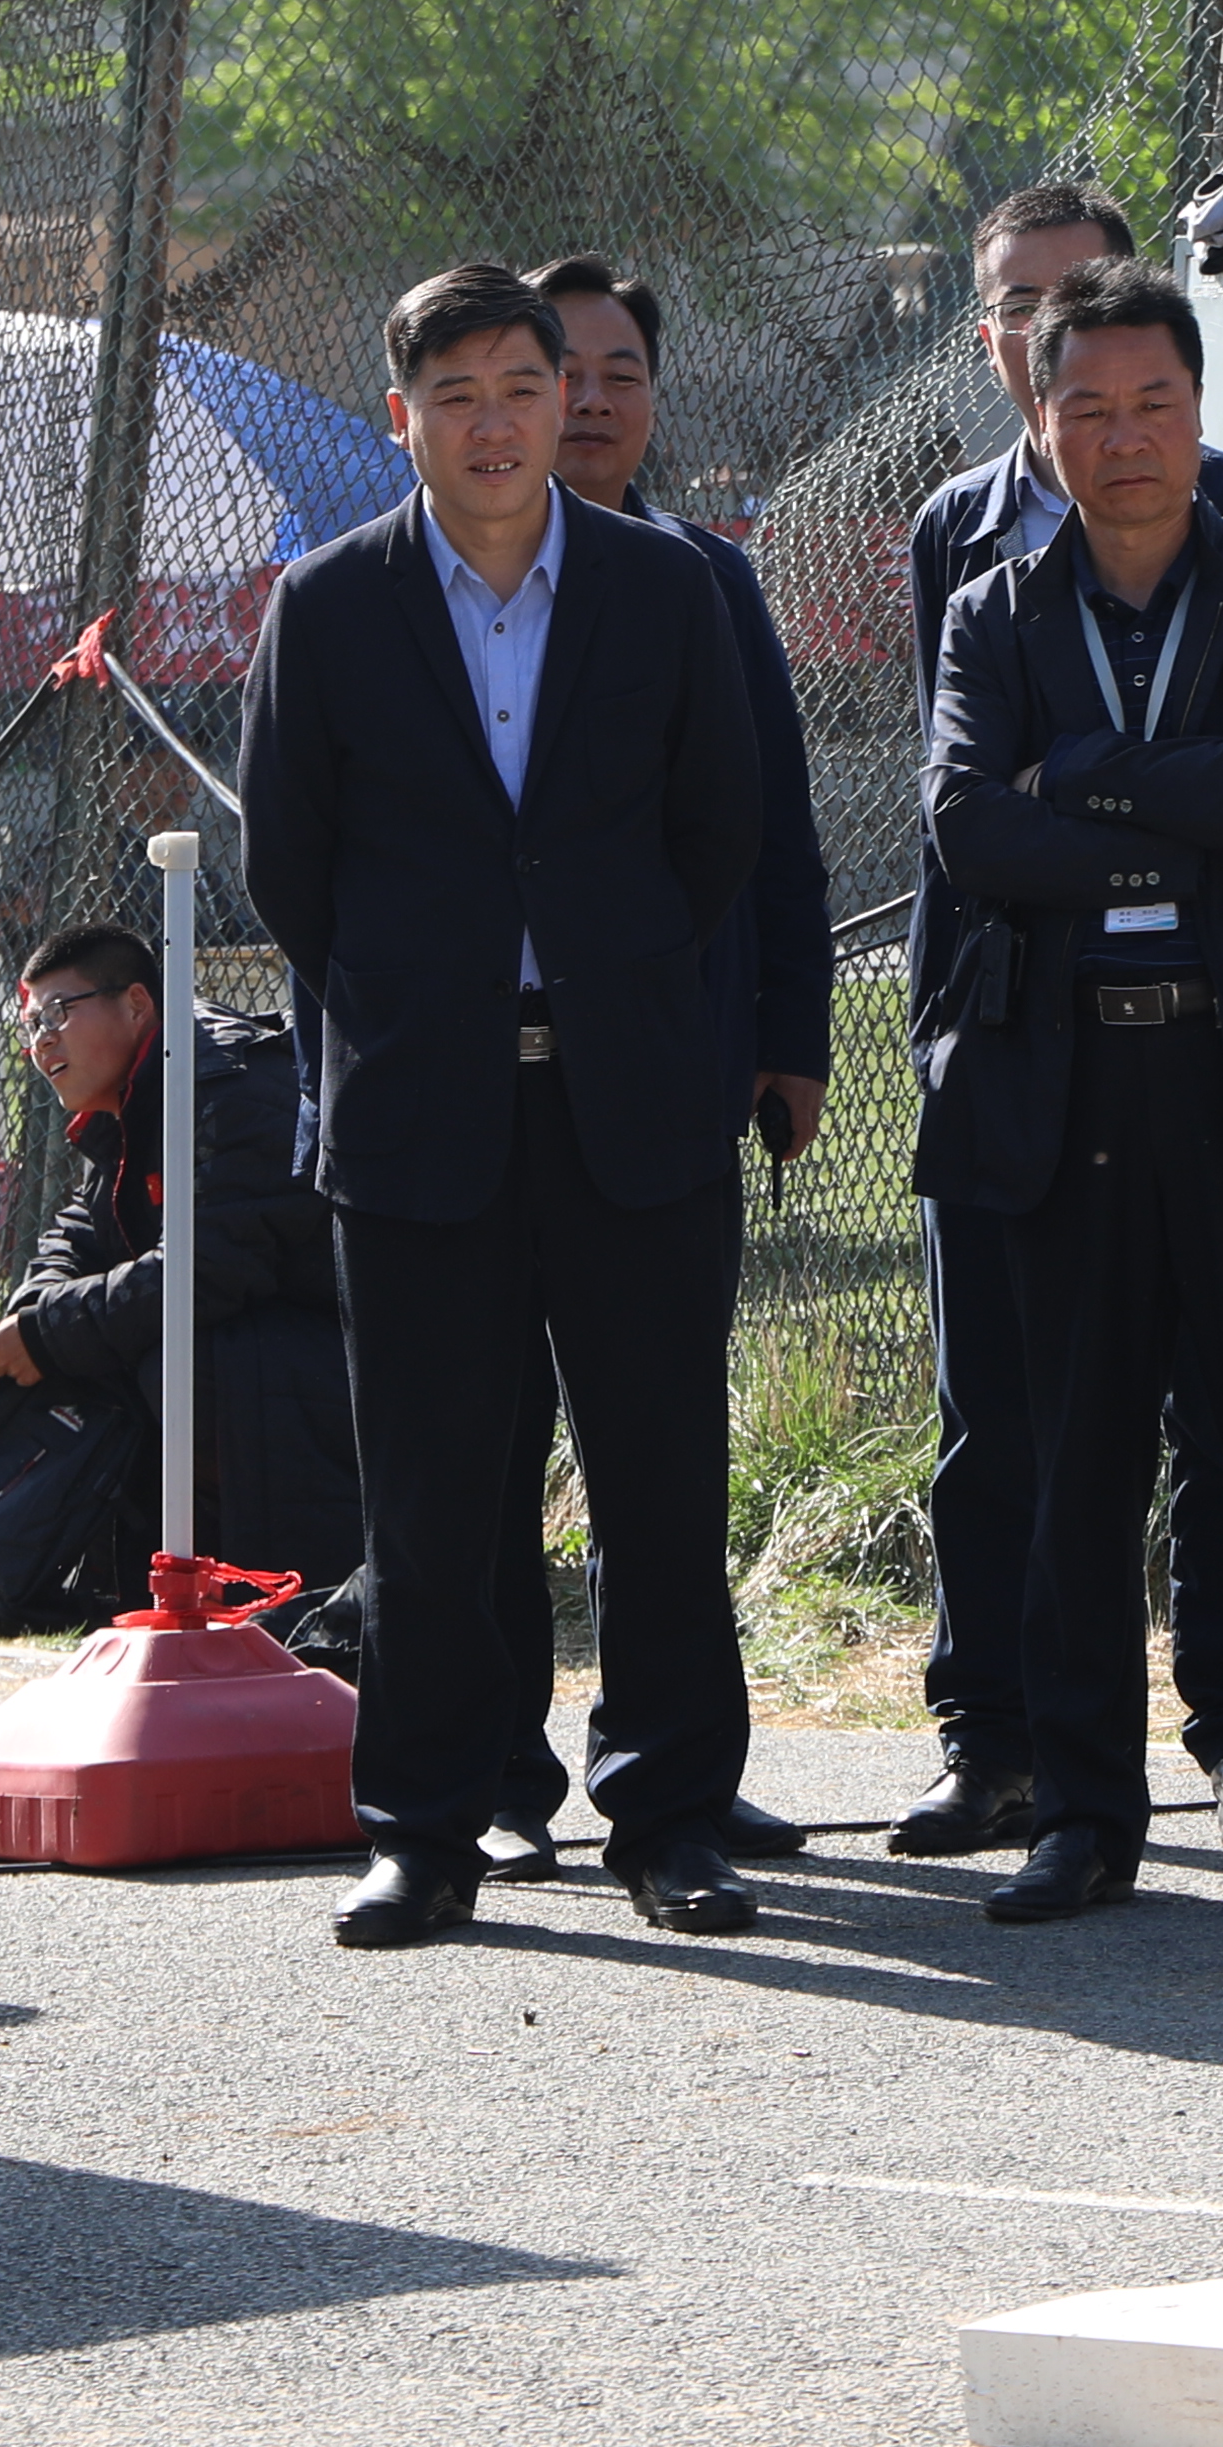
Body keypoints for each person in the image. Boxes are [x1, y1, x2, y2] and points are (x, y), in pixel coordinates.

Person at [240, 261, 765, 1946]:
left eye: (520, 389)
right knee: (432, 1494)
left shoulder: (668, 590)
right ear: (401, 418)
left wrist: (599, 977)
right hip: (420, 1116)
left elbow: (714, 834)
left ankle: (673, 1814)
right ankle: (427, 1824)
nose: (492, 423)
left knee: (661, 1476)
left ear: (567, 403)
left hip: (631, 1102)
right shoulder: (324, 608)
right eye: (452, 395)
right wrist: (425, 996)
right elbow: (291, 872)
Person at [915, 259, 1223, 1927]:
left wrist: (1104, 775)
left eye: (1154, 405)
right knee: (1076, 1462)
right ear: (1038, 423)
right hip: (1070, 1079)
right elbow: (972, 825)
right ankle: (1084, 1814)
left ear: (1203, 415)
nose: (1123, 439)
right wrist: (1185, 797)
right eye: (1087, 409)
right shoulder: (996, 611)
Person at [537, 252, 834, 1866]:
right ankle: (488, 1783)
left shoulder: (708, 581)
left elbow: (777, 827)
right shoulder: (419, 583)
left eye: (618, 375)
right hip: (474, 1099)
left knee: (665, 1447)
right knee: (477, 1448)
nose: (586, 403)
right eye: (554, 371)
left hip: (667, 1088)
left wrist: (788, 1041)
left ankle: (679, 1777)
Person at [0, 921, 362, 1592]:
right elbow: (80, 1227)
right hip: (274, 1357)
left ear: (137, 1005)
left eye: (59, 1014)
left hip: (346, 1368)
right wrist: (35, 1310)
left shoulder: (222, 1086)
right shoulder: (141, 1086)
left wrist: (49, 1332)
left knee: (173, 1362)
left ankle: (275, 1584)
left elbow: (205, 1270)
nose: (42, 1042)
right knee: (90, 1341)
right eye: (31, 1025)